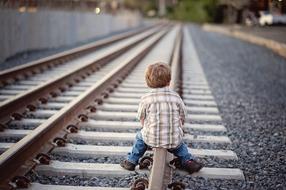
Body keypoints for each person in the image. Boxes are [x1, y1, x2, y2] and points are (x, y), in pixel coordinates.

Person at [120, 62, 203, 174]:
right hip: (173, 140)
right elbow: (183, 116)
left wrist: (147, 127)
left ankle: (131, 161)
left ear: (148, 82)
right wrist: (178, 125)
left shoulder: (146, 99)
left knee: (140, 138)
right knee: (180, 146)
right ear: (169, 81)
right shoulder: (175, 96)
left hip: (150, 139)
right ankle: (188, 161)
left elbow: (141, 118)